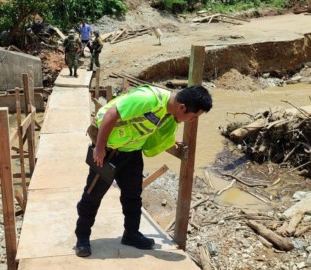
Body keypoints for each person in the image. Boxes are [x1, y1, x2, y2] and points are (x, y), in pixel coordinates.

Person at [74, 85, 213, 257]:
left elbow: (154, 129)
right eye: (193, 117)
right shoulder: (147, 99)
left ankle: (131, 234)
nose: (192, 121)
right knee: (93, 194)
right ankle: (82, 237)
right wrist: (100, 148)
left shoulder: (169, 112)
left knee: (133, 196)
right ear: (182, 108)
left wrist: (170, 141)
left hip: (132, 152)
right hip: (109, 151)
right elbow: (111, 115)